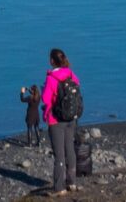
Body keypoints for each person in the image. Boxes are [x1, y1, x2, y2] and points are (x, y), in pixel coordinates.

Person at [40, 47, 82, 193]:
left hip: (56, 119)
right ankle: (72, 182)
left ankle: (59, 187)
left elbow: (45, 99)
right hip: (71, 117)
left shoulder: (51, 78)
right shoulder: (71, 74)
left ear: (52, 61)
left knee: (59, 154)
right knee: (70, 149)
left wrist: (45, 89)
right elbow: (77, 86)